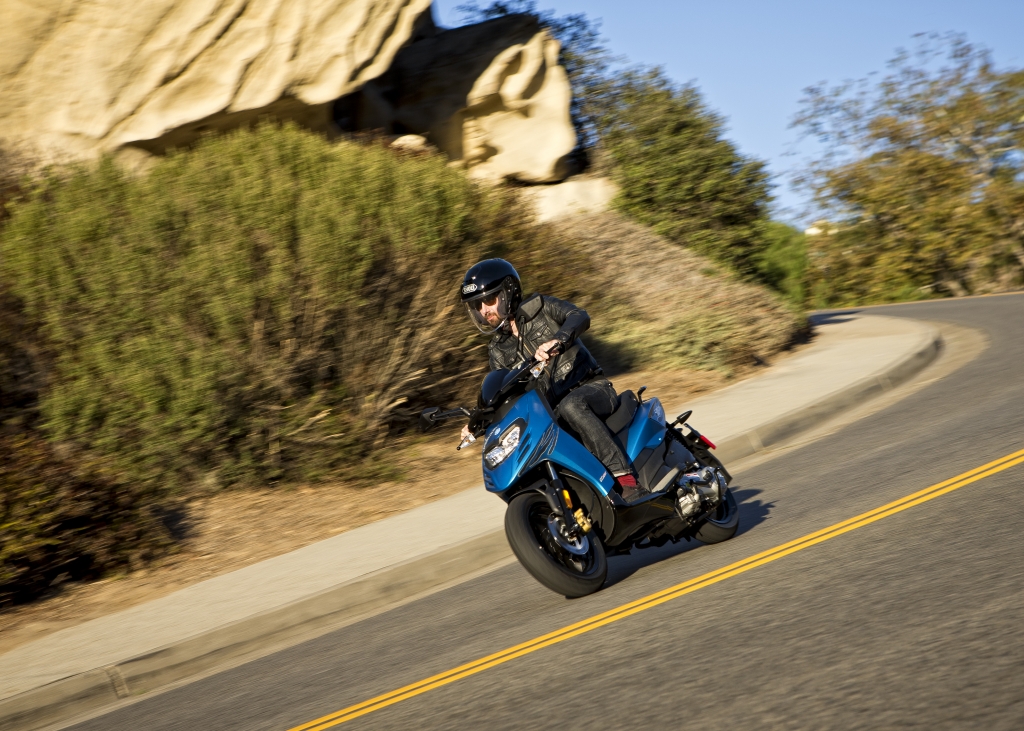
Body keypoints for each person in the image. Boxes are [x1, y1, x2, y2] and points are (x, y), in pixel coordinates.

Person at [459, 258, 649, 502]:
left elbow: (578, 316)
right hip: (552, 409)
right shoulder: (497, 349)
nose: (484, 310)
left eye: (489, 300)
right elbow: (501, 393)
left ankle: (626, 480)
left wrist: (558, 340)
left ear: (507, 293)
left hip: (592, 387)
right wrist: (477, 424)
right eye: (477, 305)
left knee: (572, 405)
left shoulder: (540, 307)